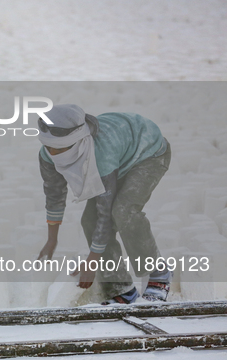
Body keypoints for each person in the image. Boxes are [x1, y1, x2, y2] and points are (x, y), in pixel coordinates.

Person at [36, 104, 172, 304]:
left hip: (147, 153)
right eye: (49, 148)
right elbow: (54, 195)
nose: (54, 154)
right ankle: (122, 289)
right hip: (119, 157)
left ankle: (159, 273)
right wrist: (51, 240)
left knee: (124, 211)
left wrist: (91, 262)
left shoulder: (100, 154)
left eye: (60, 148)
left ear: (78, 141)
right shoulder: (47, 155)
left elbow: (105, 212)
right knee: (89, 221)